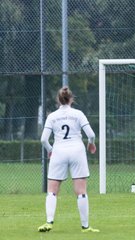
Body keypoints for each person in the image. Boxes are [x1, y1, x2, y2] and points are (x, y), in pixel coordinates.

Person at [38, 86, 99, 233]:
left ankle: (49, 222)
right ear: (71, 99)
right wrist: (90, 144)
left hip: (59, 151)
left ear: (58, 100)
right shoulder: (78, 114)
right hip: (77, 151)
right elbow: (91, 134)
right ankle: (85, 226)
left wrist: (50, 150)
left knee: (52, 191)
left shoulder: (52, 116)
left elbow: (43, 139)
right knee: (81, 191)